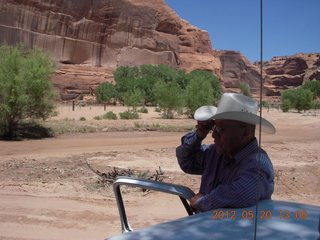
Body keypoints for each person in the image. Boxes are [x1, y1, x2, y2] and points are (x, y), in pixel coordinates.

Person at [176, 93, 275, 212]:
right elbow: (187, 162)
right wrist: (199, 134)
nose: (213, 134)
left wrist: (202, 202)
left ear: (245, 132)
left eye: (221, 129)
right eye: (214, 127)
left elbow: (240, 195)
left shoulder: (258, 163)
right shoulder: (215, 153)